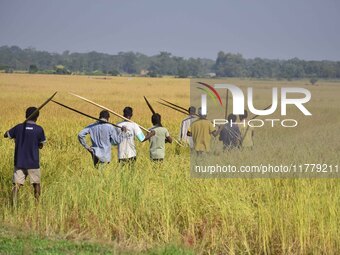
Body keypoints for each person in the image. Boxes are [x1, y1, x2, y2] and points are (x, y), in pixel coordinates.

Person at [4, 107, 46, 204]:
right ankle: (37, 205)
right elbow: (41, 145)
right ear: (37, 117)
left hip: (19, 162)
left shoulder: (18, 127)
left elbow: (6, 135)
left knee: (16, 185)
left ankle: (13, 207)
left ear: (26, 116)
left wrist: (13, 134)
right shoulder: (39, 129)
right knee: (36, 184)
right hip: (33, 162)